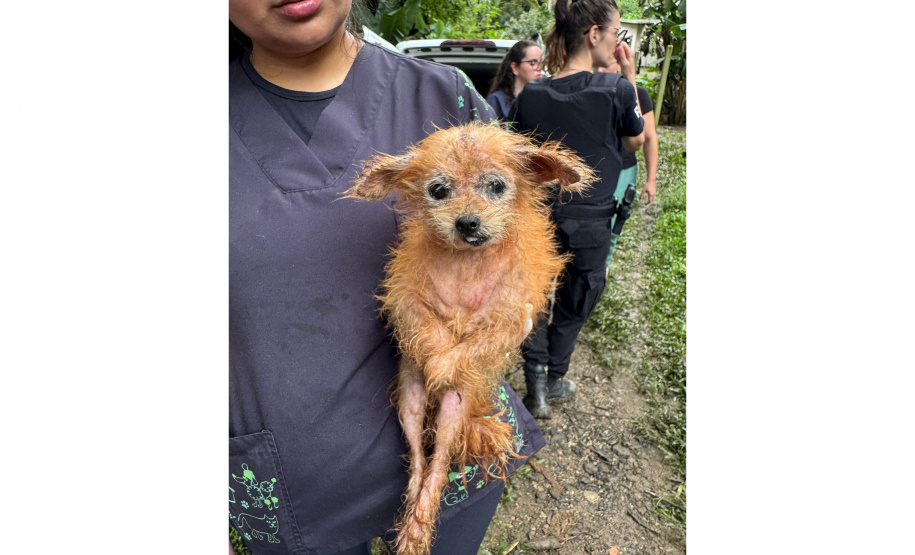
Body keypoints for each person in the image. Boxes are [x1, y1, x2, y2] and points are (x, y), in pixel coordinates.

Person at [228, 1, 545, 553]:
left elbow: (525, 232)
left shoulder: (446, 96)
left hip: (455, 458)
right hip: (291, 484)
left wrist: (508, 316)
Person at [507, 0, 645, 419]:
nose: (618, 43)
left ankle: (536, 383)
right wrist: (630, 75)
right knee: (579, 295)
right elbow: (635, 141)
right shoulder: (618, 89)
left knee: (533, 295)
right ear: (594, 34)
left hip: (538, 217)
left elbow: (517, 154)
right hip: (590, 221)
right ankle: (555, 377)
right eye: (617, 33)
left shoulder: (532, 93)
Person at [596, 59, 658, 269]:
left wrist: (650, 180)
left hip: (623, 168)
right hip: (594, 168)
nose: (600, 69)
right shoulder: (589, 89)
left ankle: (601, 273)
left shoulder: (638, 93)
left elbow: (648, 138)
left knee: (611, 228)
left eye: (607, 64)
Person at [485, 40, 542, 120]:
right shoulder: (497, 100)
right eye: (532, 63)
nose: (539, 68)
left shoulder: (543, 99)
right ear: (515, 67)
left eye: (541, 62)